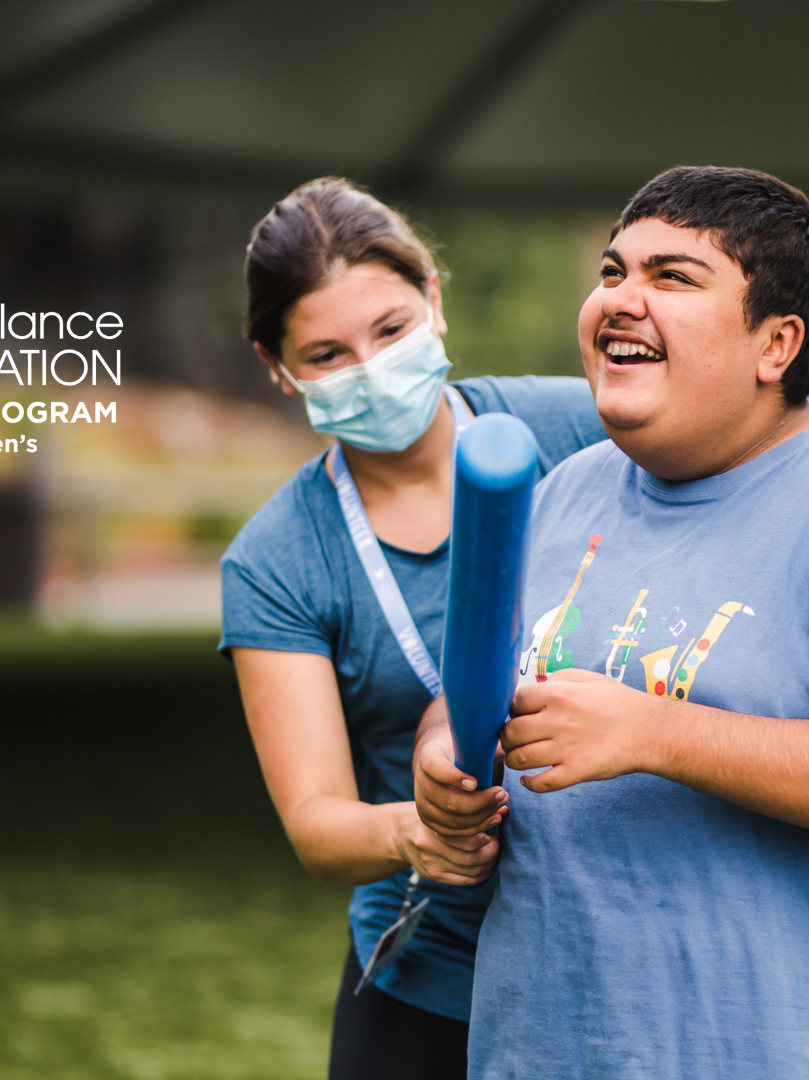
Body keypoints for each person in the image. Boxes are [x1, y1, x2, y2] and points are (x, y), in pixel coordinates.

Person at [414, 167, 809, 1078]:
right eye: (613, 273)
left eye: (673, 278)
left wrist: (654, 732)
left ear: (777, 343)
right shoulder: (560, 498)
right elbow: (478, 681)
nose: (622, 300)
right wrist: (443, 752)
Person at [218, 177, 609, 1080]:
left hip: (623, 942)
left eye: (390, 331)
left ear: (432, 298)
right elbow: (318, 823)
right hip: (430, 973)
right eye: (325, 354)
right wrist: (417, 832)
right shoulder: (276, 561)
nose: (370, 369)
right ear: (277, 367)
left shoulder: (582, 426)